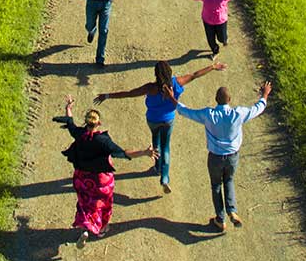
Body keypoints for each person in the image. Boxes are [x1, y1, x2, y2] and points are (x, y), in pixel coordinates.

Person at [95, 60, 227, 194]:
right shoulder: (176, 83)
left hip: (153, 120)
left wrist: (107, 96)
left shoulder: (150, 88)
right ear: (169, 72)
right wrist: (212, 67)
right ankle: (164, 178)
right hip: (168, 120)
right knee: (166, 147)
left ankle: (157, 167)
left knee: (156, 144)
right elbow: (194, 75)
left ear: (156, 74)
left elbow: (129, 93)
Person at [173, 81, 273, 232]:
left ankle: (220, 219)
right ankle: (232, 210)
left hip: (215, 158)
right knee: (229, 180)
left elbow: (186, 111)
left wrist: (172, 99)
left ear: (215, 99)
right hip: (232, 157)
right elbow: (257, 109)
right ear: (230, 99)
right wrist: (264, 94)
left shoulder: (208, 114)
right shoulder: (238, 114)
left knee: (216, 185)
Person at [59, 97, 150, 244]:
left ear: (86, 122)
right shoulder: (103, 141)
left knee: (84, 204)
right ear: (98, 123)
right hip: (101, 181)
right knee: (104, 205)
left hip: (82, 179)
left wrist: (68, 107)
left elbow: (70, 124)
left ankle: (85, 228)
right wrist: (144, 152)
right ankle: (101, 229)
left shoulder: (80, 134)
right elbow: (123, 152)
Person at [164, 0, 257, 60]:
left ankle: (224, 39)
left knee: (221, 38)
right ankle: (215, 51)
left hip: (221, 20)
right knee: (211, 40)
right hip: (207, 19)